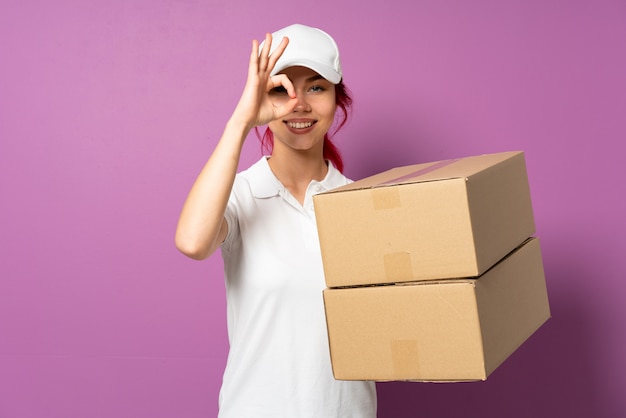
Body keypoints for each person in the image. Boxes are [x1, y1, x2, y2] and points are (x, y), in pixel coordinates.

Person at [175, 24, 377, 417]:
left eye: (316, 87)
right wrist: (241, 122)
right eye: (281, 89)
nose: (298, 104)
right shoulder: (239, 194)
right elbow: (192, 242)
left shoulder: (364, 203)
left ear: (338, 99)